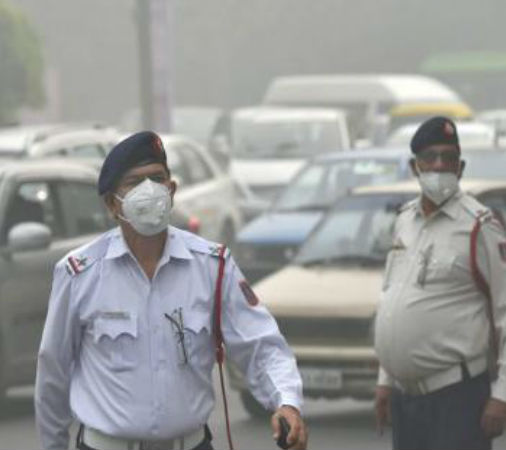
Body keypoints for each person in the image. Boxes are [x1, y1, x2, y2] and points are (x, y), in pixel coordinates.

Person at [35, 131, 308, 450]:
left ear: (172, 190)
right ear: (112, 203)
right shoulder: (79, 273)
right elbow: (53, 372)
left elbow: (261, 344)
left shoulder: (212, 265)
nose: (149, 190)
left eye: (157, 178)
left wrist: (286, 402)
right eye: (134, 182)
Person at [373, 117, 506, 450]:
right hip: (406, 400)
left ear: (460, 168)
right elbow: (392, 297)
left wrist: (504, 394)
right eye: (430, 157)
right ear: (414, 167)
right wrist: (386, 379)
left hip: (457, 398)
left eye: (448, 158)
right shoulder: (405, 221)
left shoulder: (479, 226)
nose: (439, 165)